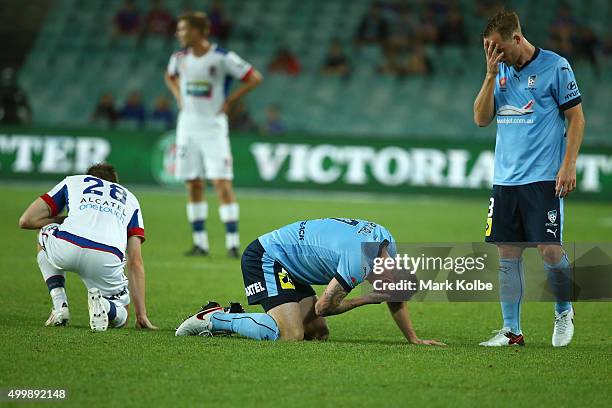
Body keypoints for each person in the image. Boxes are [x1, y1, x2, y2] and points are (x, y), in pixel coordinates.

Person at [473, 10, 585, 347]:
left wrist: (569, 165)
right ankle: (511, 331)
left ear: (516, 39)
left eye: (497, 48)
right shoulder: (499, 70)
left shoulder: (556, 67)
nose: (493, 54)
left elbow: (576, 119)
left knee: (550, 250)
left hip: (543, 179)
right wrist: (490, 74)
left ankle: (564, 311)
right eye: (487, 49)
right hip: (506, 180)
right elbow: (480, 119)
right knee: (507, 253)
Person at [176, 218, 445, 345]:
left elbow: (394, 297)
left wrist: (413, 339)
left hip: (293, 266)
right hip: (267, 257)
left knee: (318, 334)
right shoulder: (357, 262)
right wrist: (368, 299)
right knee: (290, 335)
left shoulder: (387, 244)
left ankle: (262, 316)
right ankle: (215, 317)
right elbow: (323, 307)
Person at [164, 11, 263, 257]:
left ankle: (232, 243)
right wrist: (178, 95)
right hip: (187, 127)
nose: (179, 33)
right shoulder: (179, 57)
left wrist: (230, 100)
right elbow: (169, 76)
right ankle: (200, 243)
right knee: (193, 183)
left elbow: (254, 78)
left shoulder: (222, 58)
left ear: (198, 32)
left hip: (213, 128)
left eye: (183, 29)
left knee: (222, 183)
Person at [18, 163, 158, 332]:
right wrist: (141, 315)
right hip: (106, 257)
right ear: (116, 183)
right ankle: (105, 306)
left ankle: (59, 304)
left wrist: (63, 220)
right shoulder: (130, 199)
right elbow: (135, 261)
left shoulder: (74, 181)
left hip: (67, 244)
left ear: (89, 176)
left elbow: (26, 220)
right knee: (122, 315)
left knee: (45, 233)